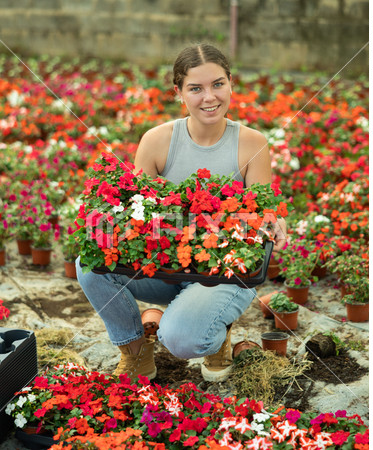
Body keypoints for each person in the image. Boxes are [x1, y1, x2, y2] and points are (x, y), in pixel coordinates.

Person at [76, 43, 286, 382]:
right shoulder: (157, 141)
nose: (209, 97)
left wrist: (272, 220)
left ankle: (215, 333)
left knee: (180, 339)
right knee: (91, 264)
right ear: (179, 92)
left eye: (218, 84)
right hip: (169, 266)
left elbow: (260, 214)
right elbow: (137, 214)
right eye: (195, 88)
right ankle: (135, 352)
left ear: (231, 83)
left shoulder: (251, 144)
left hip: (225, 274)